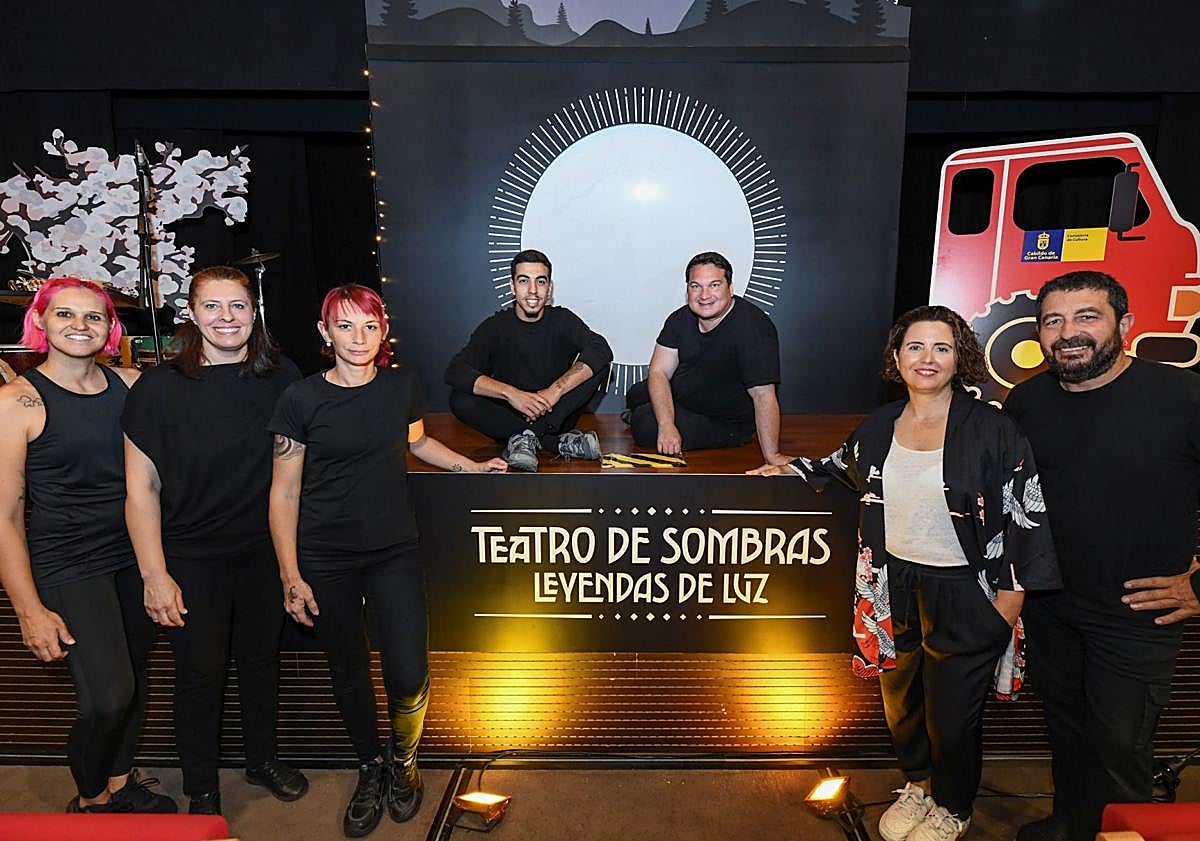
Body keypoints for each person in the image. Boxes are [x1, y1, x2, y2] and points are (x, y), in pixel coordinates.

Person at [752, 305, 1060, 841]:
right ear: (897, 357)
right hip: (892, 583)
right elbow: (837, 465)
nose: (927, 358)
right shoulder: (881, 425)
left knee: (954, 713)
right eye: (915, 346)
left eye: (941, 347)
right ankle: (918, 784)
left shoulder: (991, 427)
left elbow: (1025, 512)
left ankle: (953, 806)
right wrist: (783, 466)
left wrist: (1009, 602)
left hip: (966, 589)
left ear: (959, 358)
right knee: (900, 700)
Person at [269, 284, 506, 838]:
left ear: (383, 333)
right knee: (348, 669)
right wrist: (290, 574)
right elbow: (283, 493)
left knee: (407, 669)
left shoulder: (401, 386)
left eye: (369, 326)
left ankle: (403, 760)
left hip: (393, 549)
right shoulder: (300, 399)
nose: (358, 338)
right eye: (345, 326)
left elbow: (416, 442)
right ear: (325, 333)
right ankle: (370, 765)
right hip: (324, 556)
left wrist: (470, 468)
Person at [1005, 271, 1200, 841]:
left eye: (1087, 317)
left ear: (1125, 325)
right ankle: (1072, 823)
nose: (1069, 333)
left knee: (1120, 745)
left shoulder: (1181, 396)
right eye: (1054, 321)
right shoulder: (1027, 400)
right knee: (1067, 730)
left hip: (1138, 612)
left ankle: (1120, 833)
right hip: (1050, 606)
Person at [122, 266, 308, 815]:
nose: (227, 318)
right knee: (200, 673)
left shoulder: (282, 376)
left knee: (259, 661)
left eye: (238, 306)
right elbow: (140, 489)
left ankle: (261, 758)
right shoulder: (157, 387)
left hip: (261, 550)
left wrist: (290, 561)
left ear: (255, 312)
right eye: (213, 306)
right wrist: (155, 575)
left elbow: (293, 476)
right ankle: (201, 786)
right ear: (193, 312)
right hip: (190, 555)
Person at [0, 278, 174, 813]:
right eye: (66, 315)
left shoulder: (130, 383)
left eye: (93, 317)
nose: (80, 325)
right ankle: (93, 798)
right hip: (68, 561)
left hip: (132, 553)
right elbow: (5, 515)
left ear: (110, 328)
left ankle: (122, 782)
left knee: (136, 676)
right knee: (108, 694)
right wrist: (29, 609)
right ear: (41, 323)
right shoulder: (16, 402)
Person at [445, 249, 612, 472]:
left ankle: (528, 439)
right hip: (511, 416)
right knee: (460, 398)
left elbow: (601, 349)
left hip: (556, 413)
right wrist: (512, 395)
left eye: (540, 282)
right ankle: (552, 442)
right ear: (512, 286)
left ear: (549, 288)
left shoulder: (562, 319)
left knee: (598, 366)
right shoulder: (495, 326)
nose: (532, 291)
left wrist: (555, 391)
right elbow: (456, 370)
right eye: (524, 281)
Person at [625, 251, 790, 472]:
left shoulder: (753, 329)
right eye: (696, 286)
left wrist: (773, 456)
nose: (704, 295)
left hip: (723, 419)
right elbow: (658, 372)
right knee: (636, 393)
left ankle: (648, 416)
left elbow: (763, 396)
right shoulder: (679, 319)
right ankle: (652, 412)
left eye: (714, 285)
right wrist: (667, 424)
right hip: (688, 392)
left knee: (644, 424)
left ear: (730, 289)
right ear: (687, 290)